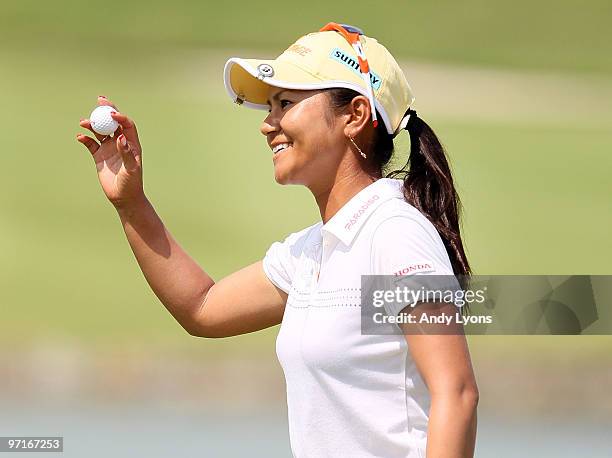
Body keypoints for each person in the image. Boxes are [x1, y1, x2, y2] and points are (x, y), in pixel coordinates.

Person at [76, 22, 478, 458]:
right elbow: (202, 308)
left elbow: (455, 395)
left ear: (356, 116)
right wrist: (131, 203)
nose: (268, 125)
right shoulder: (309, 252)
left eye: (285, 103)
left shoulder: (394, 233)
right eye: (270, 106)